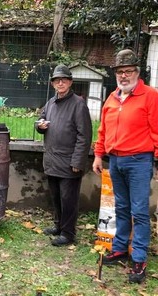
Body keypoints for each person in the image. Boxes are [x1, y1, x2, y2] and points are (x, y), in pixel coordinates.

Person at [92, 48, 158, 284]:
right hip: (116, 160)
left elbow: (157, 130)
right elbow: (103, 129)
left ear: (137, 73)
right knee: (121, 207)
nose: (124, 75)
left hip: (139, 160)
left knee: (139, 211)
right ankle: (119, 248)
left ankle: (138, 258)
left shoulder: (150, 96)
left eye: (128, 71)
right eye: (120, 71)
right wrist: (98, 154)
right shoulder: (112, 97)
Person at [36, 64, 92, 246]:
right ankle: (58, 225)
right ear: (53, 84)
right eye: (57, 80)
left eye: (64, 80)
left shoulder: (78, 104)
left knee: (69, 200)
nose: (60, 83)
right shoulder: (51, 103)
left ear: (70, 82)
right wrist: (39, 126)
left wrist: (78, 161)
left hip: (69, 162)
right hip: (52, 160)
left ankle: (68, 234)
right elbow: (40, 120)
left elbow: (85, 136)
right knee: (56, 197)